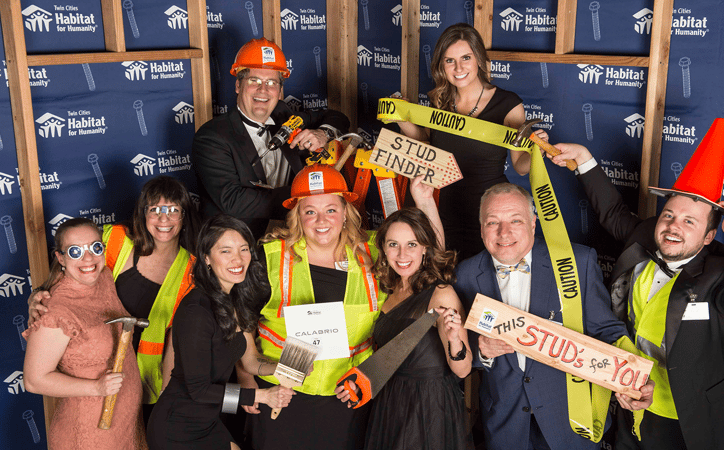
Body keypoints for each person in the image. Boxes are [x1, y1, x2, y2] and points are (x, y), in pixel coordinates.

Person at [548, 118, 724, 450]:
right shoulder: (644, 237)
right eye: (668, 215)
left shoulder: (719, 273)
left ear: (710, 236)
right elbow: (611, 212)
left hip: (692, 419)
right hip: (632, 401)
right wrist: (582, 158)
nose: (673, 226)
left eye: (689, 221)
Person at [244, 164, 439, 450]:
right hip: (282, 392)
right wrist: (246, 377)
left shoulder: (374, 251)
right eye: (310, 211)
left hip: (349, 393)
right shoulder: (269, 258)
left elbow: (429, 256)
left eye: (331, 209)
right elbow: (240, 318)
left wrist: (424, 202)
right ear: (297, 214)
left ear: (346, 210)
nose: (321, 220)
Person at [453, 183, 654, 450]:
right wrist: (481, 350)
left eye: (515, 220)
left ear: (533, 224)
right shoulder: (465, 274)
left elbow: (607, 331)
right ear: (481, 228)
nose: (504, 232)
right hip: (505, 425)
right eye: (493, 222)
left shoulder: (576, 262)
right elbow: (459, 349)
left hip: (571, 420)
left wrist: (634, 379)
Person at [29, 176, 200, 424]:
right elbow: (73, 270)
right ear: (142, 214)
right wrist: (39, 292)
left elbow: (177, 333)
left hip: (147, 380)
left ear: (184, 216)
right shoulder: (115, 240)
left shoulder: (191, 268)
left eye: (174, 210)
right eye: (155, 210)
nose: (164, 219)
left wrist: (167, 391)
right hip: (94, 374)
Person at [394, 23, 547, 261]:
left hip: (485, 214)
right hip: (440, 209)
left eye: (466, 57)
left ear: (478, 59)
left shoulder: (507, 103)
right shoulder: (440, 99)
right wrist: (401, 119)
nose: (458, 68)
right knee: (441, 277)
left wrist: (537, 151)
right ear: (441, 65)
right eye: (449, 60)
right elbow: (425, 143)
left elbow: (520, 165)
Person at [147, 214, 294, 449]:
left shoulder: (236, 301)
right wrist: (262, 397)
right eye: (225, 251)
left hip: (208, 422)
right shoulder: (196, 310)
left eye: (243, 249)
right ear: (206, 258)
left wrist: (287, 369)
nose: (238, 259)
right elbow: (198, 391)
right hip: (178, 427)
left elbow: (251, 362)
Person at [335, 207, 472, 449]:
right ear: (383, 249)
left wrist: (455, 340)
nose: (401, 254)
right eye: (393, 244)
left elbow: (462, 370)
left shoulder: (441, 294)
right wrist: (360, 382)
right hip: (389, 399)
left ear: (425, 248)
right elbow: (389, 356)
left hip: (428, 406)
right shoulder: (387, 290)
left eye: (411, 244)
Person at [192, 37, 351, 239]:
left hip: (292, 236)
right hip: (238, 243)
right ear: (238, 86)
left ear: (279, 90)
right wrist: (307, 196)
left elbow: (338, 118)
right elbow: (234, 201)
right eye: (254, 81)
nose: (263, 90)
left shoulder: (284, 116)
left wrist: (324, 134)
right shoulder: (212, 137)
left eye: (271, 83)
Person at [23, 218, 145, 449]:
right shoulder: (55, 311)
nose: (87, 258)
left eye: (95, 248)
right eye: (75, 251)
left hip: (125, 426)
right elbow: (33, 380)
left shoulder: (104, 278)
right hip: (89, 432)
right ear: (60, 258)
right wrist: (95, 388)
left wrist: (35, 292)